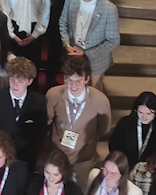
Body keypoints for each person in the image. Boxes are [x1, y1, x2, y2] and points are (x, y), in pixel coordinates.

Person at [46, 55, 112, 187]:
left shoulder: (100, 100)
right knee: (55, 188)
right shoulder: (53, 95)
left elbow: (104, 127)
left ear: (87, 79)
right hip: (58, 154)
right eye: (69, 80)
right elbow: (48, 121)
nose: (73, 85)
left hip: (84, 157)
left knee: (80, 190)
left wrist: (87, 139)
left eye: (78, 81)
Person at [59, 0, 120, 89]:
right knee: (71, 89)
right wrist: (67, 44)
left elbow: (113, 41)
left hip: (96, 61)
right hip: (72, 55)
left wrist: (86, 53)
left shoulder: (109, 9)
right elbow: (63, 22)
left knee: (94, 94)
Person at [0, 57, 47, 171]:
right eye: (12, 79)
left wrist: (30, 152)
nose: (15, 84)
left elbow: (40, 132)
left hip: (26, 157)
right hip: (1, 154)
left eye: (20, 81)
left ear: (29, 81)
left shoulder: (39, 101)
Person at [109, 91, 156, 169]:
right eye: (140, 112)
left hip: (150, 169)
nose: (144, 117)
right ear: (136, 110)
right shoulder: (125, 123)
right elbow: (114, 146)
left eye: (148, 114)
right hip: (125, 167)